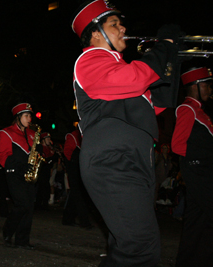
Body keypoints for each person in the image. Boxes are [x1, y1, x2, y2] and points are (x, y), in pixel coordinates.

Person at [71, 0, 181, 265]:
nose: (123, 28)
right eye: (114, 24)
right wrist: (163, 46)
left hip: (134, 160)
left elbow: (162, 102)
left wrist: (172, 57)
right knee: (139, 248)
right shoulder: (90, 59)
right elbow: (137, 78)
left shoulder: (121, 69)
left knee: (139, 248)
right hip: (113, 161)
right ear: (96, 33)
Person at [171, 67, 213, 267]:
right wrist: (193, 167)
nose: (209, 89)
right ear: (195, 86)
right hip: (198, 171)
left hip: (201, 171)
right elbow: (177, 145)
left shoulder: (199, 111)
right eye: (206, 85)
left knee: (196, 222)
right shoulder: (187, 109)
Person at [0, 103, 37, 250]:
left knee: (29, 208)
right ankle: (8, 230)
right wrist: (20, 166)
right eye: (26, 116)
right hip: (14, 174)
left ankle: (22, 241)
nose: (29, 119)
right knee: (22, 204)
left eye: (30, 116)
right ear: (18, 117)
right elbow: (3, 156)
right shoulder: (6, 132)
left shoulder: (32, 134)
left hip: (28, 174)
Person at [62, 128, 92, 229]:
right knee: (79, 195)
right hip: (74, 169)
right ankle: (84, 222)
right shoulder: (72, 136)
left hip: (82, 169)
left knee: (75, 195)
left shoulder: (87, 136)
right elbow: (67, 154)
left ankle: (67, 219)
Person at [35, 132, 55, 210]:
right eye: (47, 138)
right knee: (41, 186)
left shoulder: (49, 148)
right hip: (42, 169)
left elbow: (52, 157)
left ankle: (43, 204)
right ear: (43, 140)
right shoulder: (41, 147)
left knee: (45, 186)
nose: (49, 140)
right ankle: (40, 204)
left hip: (47, 169)